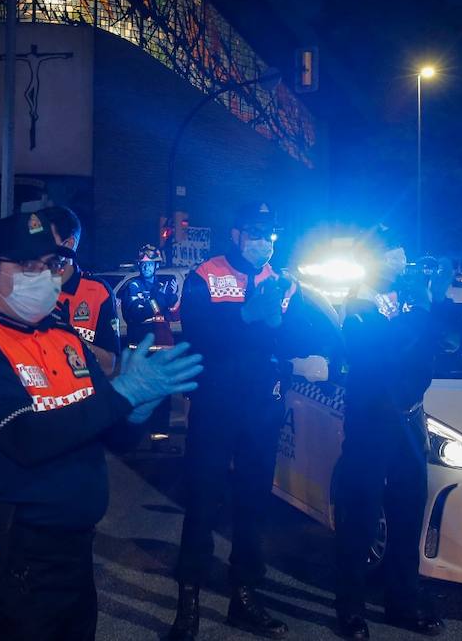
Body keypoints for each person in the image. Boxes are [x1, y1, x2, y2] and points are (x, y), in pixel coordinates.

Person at [0, 211, 204, 640]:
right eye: (26, 266)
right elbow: (28, 440)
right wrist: (122, 396)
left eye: (49, 265)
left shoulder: (66, 339)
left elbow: (109, 432)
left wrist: (137, 410)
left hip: (73, 551)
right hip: (12, 552)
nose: (42, 276)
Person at [168, 202, 329, 641]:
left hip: (262, 405)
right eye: (256, 231)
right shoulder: (204, 275)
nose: (263, 240)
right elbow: (198, 334)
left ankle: (244, 597)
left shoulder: (282, 281)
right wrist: (245, 316)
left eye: (270, 233)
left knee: (253, 506)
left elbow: (301, 338)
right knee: (202, 503)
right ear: (236, 233)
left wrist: (285, 322)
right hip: (216, 404)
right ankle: (189, 603)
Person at [333, 244, 446, 640]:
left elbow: (432, 349)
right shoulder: (359, 301)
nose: (401, 261)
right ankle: (349, 608)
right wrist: (422, 313)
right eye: (393, 255)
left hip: (411, 418)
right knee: (360, 518)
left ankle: (402, 602)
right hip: (371, 421)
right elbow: (383, 349)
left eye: (403, 254)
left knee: (407, 515)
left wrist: (435, 301)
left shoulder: (413, 299)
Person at [39, 206, 121, 374]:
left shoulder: (98, 292)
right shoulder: (27, 286)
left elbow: (109, 366)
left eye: (45, 240)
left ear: (68, 245)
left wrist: (67, 337)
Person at [119, 244, 180, 450]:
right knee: (139, 397)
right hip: (141, 353)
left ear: (156, 266)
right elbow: (136, 312)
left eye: (150, 264)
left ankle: (160, 442)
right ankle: (130, 442)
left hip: (163, 352)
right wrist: (161, 300)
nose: (146, 268)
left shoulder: (165, 285)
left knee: (163, 398)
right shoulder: (133, 286)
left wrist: (165, 301)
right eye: (143, 264)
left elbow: (174, 312)